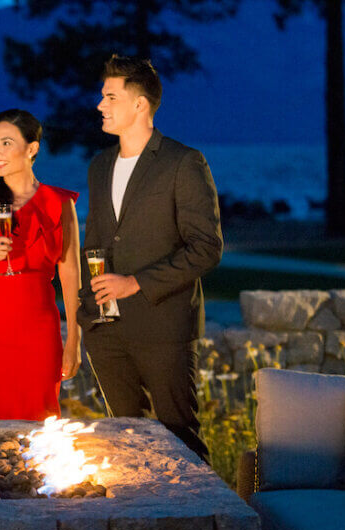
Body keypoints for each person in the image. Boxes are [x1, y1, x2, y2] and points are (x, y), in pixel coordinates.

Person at [76, 55, 223, 462]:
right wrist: (85, 304)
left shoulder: (183, 162)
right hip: (105, 330)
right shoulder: (100, 165)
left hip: (162, 325)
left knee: (181, 439)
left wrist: (135, 282)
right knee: (123, 441)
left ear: (140, 104)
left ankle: (204, 521)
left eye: (109, 96)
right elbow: (98, 240)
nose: (100, 104)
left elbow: (207, 247)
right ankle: (137, 522)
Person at [0, 109, 81, 420]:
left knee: (40, 423)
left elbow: (71, 273)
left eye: (6, 143)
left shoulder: (60, 204)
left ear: (32, 149)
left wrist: (74, 339)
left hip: (38, 328)